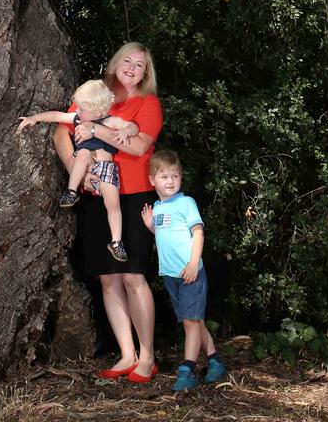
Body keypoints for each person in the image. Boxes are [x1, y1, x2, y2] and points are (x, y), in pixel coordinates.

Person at [53, 41, 162, 384]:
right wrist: (79, 171)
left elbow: (140, 145)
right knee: (108, 278)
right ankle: (126, 354)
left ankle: (147, 357)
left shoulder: (148, 102)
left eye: (140, 65)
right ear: (115, 62)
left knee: (133, 276)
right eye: (126, 60)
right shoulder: (96, 93)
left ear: (147, 73)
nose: (131, 68)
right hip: (96, 196)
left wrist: (99, 130)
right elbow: (62, 131)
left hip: (134, 195)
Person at [18, 79, 140, 262]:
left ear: (98, 111)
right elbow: (57, 116)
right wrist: (34, 118)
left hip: (105, 168)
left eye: (82, 109)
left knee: (113, 204)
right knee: (82, 152)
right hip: (86, 164)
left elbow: (133, 126)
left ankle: (116, 242)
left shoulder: (109, 121)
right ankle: (71, 191)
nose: (77, 111)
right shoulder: (77, 118)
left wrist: (126, 132)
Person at [141, 149, 227, 392]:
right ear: (152, 180)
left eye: (175, 176)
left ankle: (188, 369)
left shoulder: (186, 203)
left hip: (191, 272)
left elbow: (197, 233)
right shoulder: (157, 208)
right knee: (194, 321)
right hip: (171, 275)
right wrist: (151, 227)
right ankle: (215, 362)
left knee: (190, 322)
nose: (170, 181)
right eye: (164, 177)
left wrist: (192, 264)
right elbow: (167, 236)